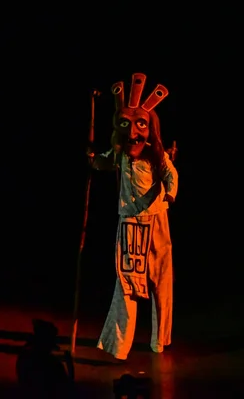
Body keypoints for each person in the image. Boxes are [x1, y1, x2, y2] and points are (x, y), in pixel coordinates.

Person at [88, 73, 178, 361]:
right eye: (125, 124)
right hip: (129, 223)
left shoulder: (156, 154)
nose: (133, 132)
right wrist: (93, 159)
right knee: (126, 282)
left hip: (157, 221)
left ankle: (159, 339)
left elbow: (170, 175)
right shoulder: (121, 155)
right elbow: (103, 161)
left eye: (140, 124)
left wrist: (169, 194)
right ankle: (119, 344)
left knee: (161, 280)